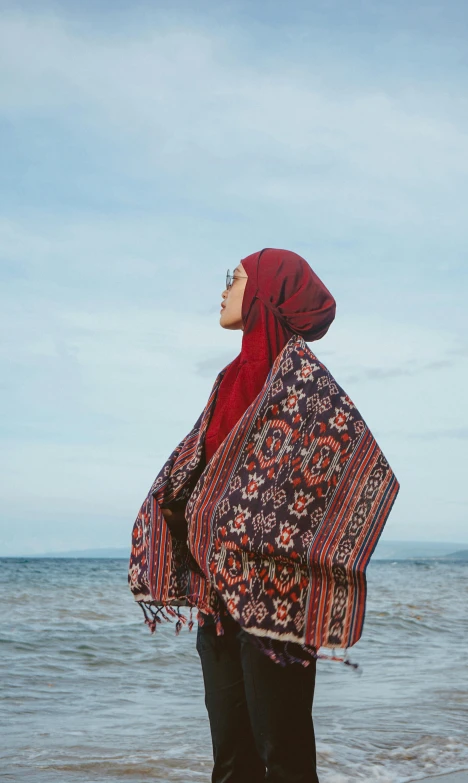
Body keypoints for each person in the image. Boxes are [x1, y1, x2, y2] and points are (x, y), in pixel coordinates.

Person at [192, 248, 336, 783]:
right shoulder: (232, 377)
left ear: (265, 293)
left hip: (275, 602)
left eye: (234, 278)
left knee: (285, 755)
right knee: (233, 757)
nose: (225, 289)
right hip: (217, 598)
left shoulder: (303, 388)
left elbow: (315, 500)